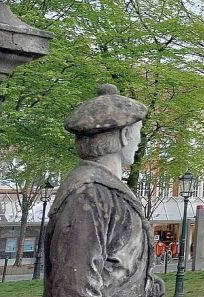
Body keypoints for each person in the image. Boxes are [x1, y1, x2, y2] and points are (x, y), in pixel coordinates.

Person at [43, 85, 165, 297]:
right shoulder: (90, 196)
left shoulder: (105, 192)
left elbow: (115, 268)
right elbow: (74, 288)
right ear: (125, 135)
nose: (139, 142)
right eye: (138, 133)